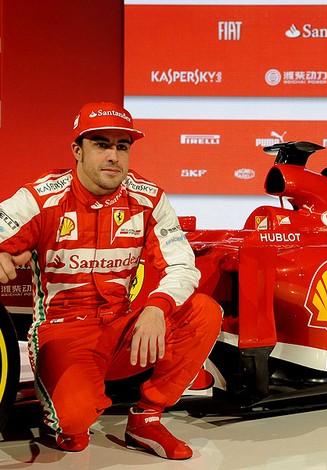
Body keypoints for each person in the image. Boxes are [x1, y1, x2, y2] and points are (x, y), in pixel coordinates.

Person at [0, 102, 222, 458]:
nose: (113, 156)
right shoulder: (41, 197)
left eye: (122, 147)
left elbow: (183, 265)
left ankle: (147, 418)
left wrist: (156, 308)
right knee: (74, 430)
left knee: (203, 312)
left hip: (122, 330)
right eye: (101, 144)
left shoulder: (149, 199)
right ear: (78, 150)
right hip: (64, 333)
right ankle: (65, 406)